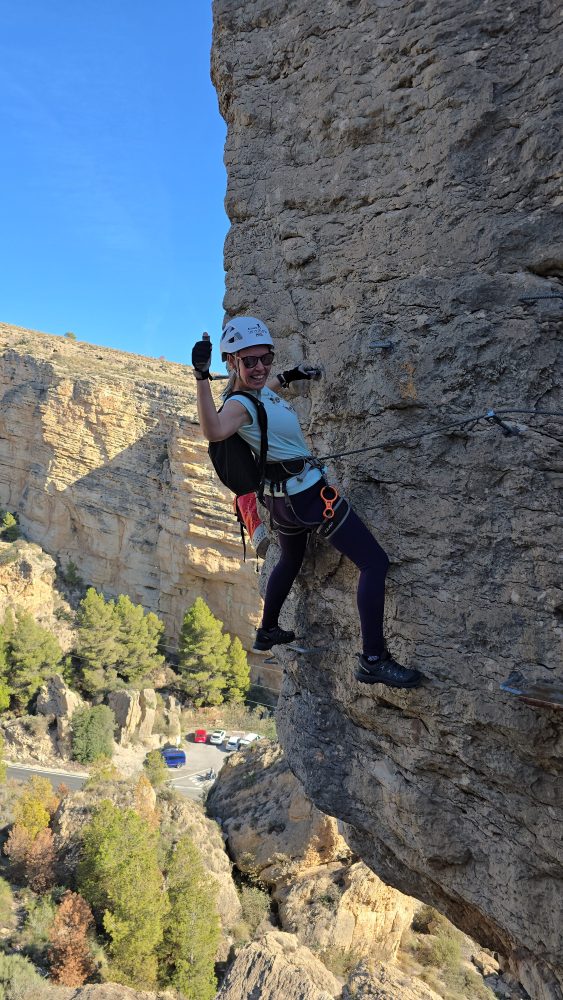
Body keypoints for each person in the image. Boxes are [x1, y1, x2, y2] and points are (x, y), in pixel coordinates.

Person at [191, 317, 422, 689]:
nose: (259, 367)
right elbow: (214, 430)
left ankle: (267, 630)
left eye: (265, 358)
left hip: (282, 502)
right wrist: (201, 377)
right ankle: (373, 659)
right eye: (249, 361)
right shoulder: (239, 405)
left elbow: (266, 387)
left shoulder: (257, 392)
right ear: (230, 362)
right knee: (374, 562)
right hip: (307, 497)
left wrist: (289, 374)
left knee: (291, 558)